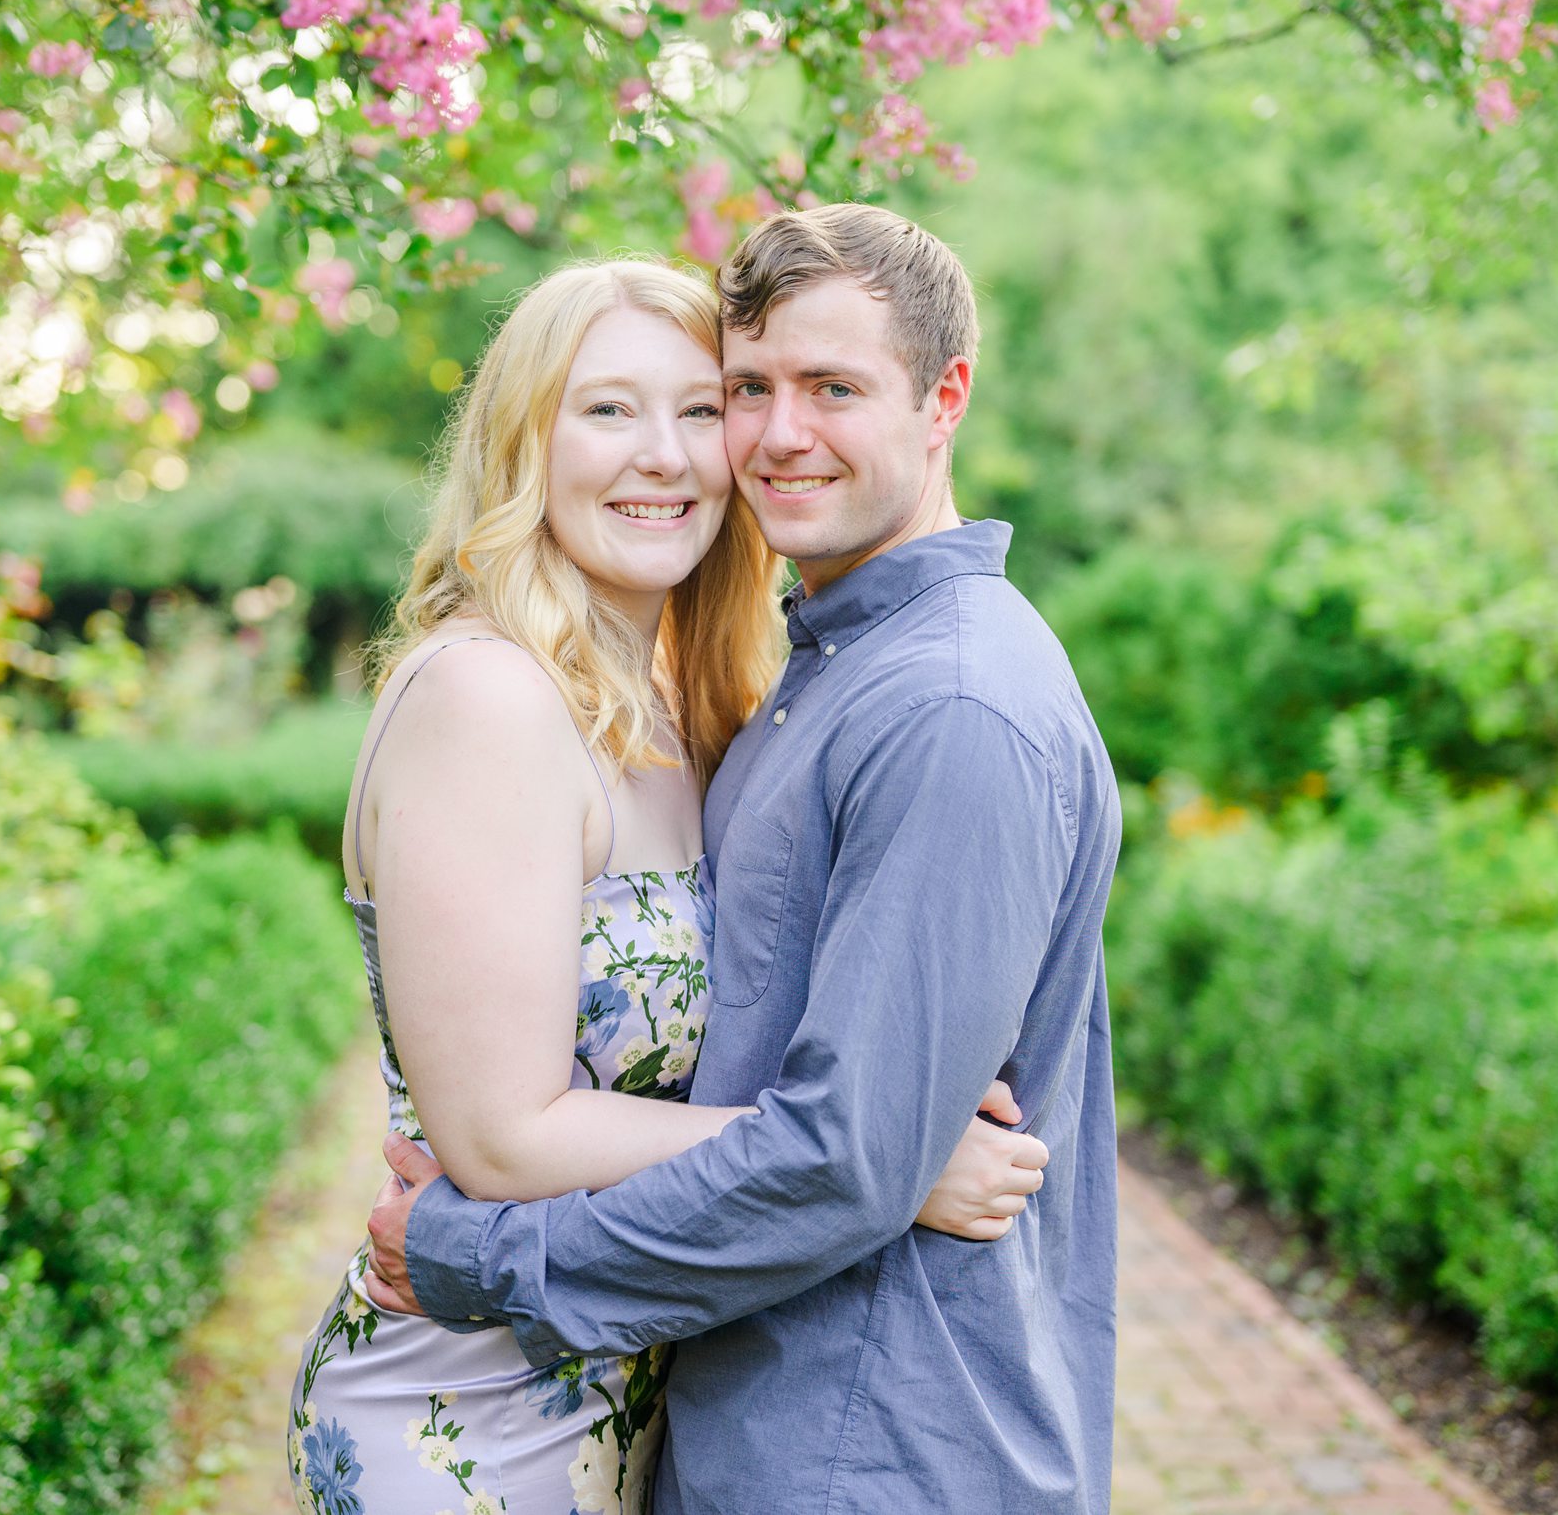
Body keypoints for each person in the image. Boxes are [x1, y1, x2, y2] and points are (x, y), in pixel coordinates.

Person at [365, 205, 1125, 1513]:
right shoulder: (787, 683)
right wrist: (891, 1159)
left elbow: (842, 1162)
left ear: (945, 399)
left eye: (833, 387)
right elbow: (847, 1149)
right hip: (637, 1420)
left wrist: (484, 1256)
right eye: (750, 389)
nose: (775, 435)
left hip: (867, 1450)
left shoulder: (944, 700)